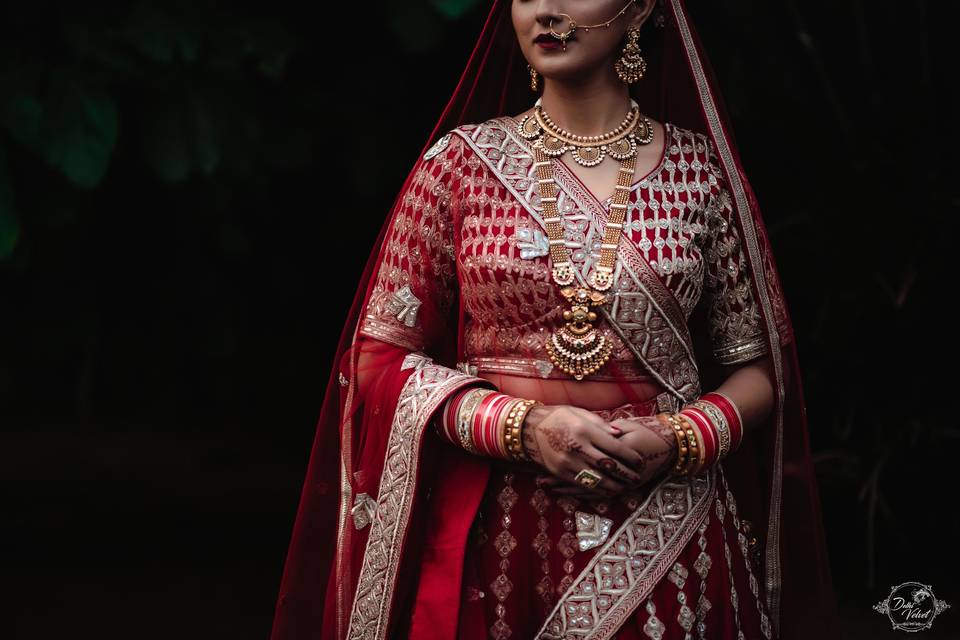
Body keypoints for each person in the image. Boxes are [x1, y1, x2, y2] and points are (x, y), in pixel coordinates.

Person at [269, 1, 841, 639]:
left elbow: (757, 369)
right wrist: (521, 425)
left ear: (641, 8)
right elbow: (375, 361)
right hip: (496, 534)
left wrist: (678, 439)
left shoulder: (698, 171)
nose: (545, 9)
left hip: (669, 533)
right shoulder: (458, 168)